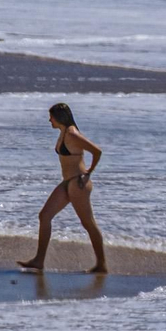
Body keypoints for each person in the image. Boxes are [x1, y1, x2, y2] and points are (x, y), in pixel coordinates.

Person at [17, 101, 106, 273]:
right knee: (44, 216)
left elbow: (97, 151)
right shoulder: (64, 132)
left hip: (78, 184)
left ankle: (101, 264)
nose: (49, 120)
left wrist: (89, 172)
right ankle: (39, 261)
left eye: (51, 117)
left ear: (59, 117)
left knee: (88, 223)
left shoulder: (72, 134)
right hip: (67, 183)